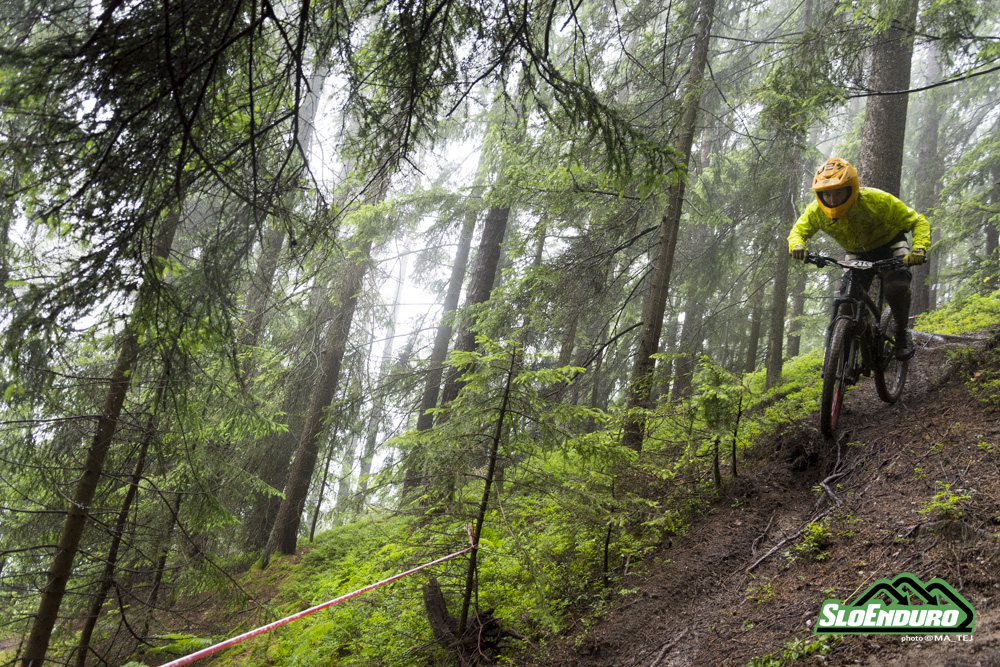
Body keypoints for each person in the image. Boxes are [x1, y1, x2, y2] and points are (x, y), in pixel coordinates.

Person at [787, 157, 931, 361]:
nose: (832, 199)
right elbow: (798, 231)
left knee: (896, 287)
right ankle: (851, 354)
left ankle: (901, 333)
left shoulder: (876, 200)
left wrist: (918, 250)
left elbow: (918, 221)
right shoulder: (816, 211)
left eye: (838, 192)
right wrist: (797, 246)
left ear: (851, 188)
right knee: (848, 303)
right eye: (826, 193)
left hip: (890, 244)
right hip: (857, 252)